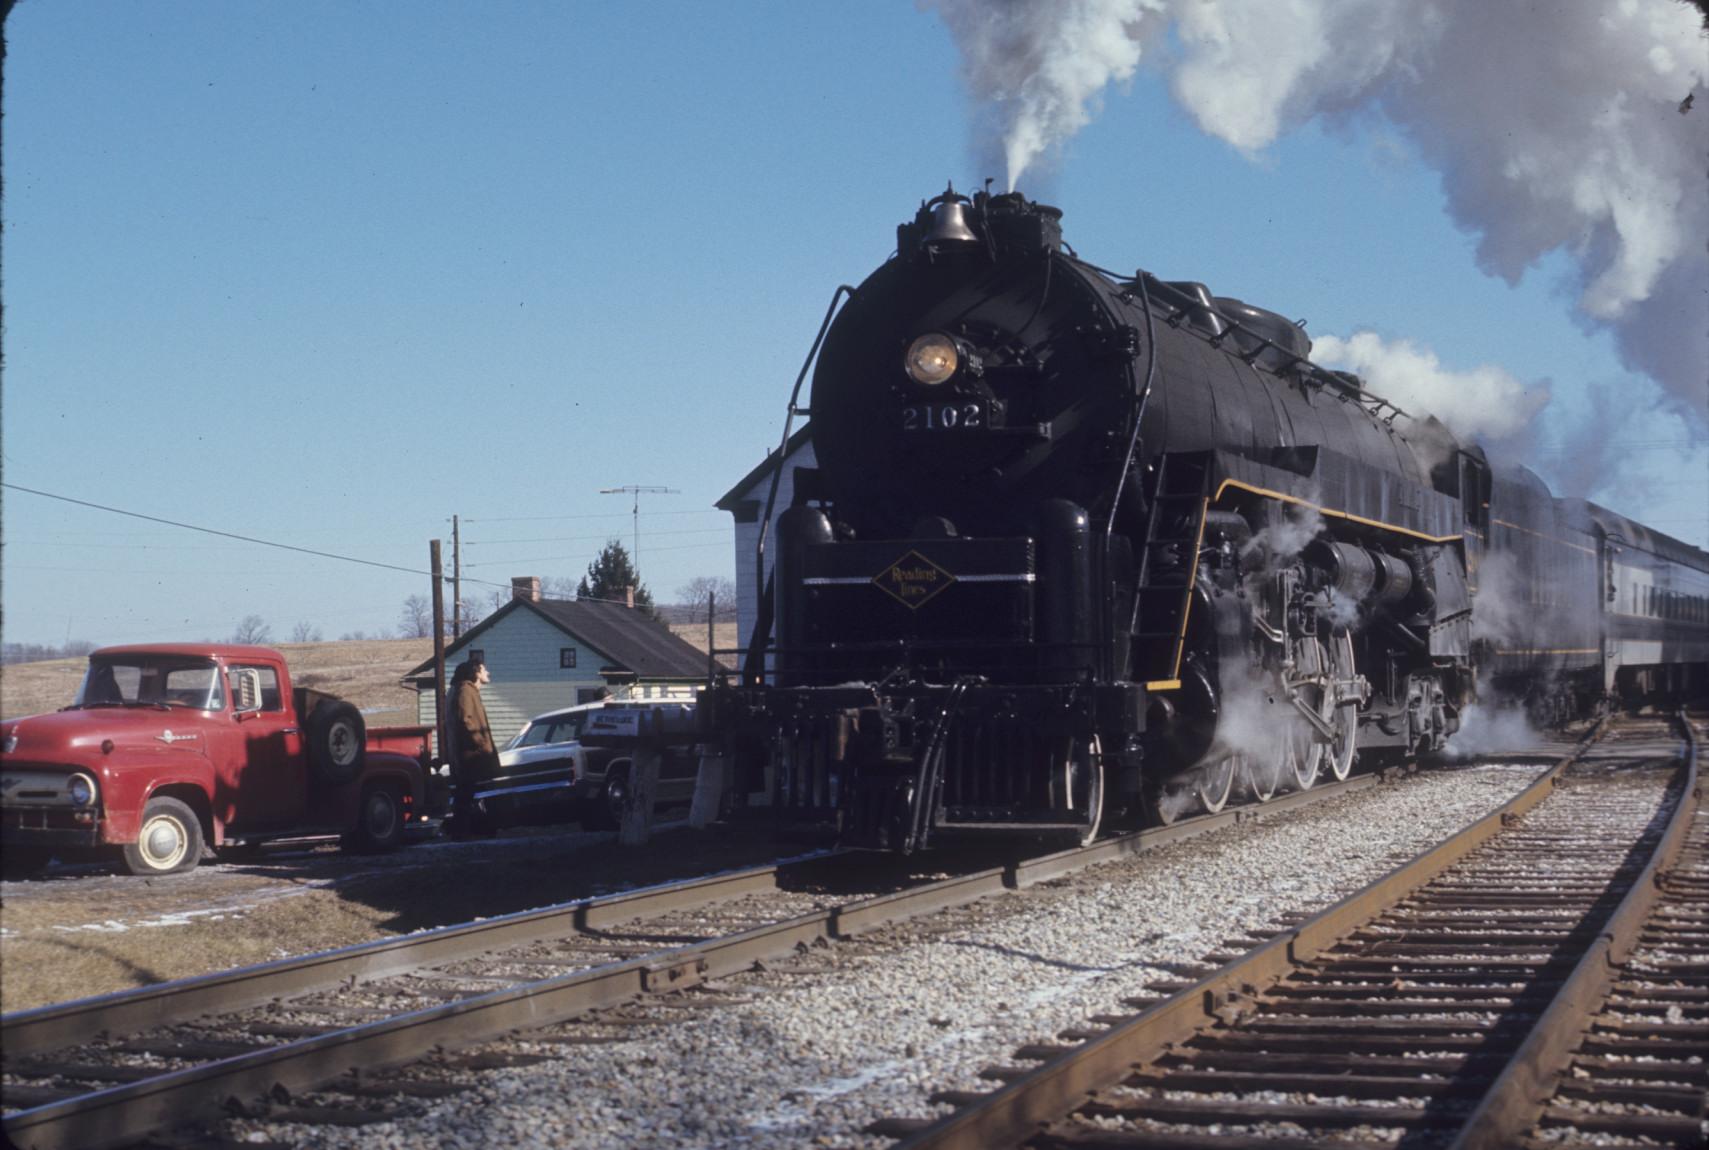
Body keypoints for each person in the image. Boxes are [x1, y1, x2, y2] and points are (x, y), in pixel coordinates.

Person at [447, 656, 498, 838]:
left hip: (465, 755)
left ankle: (465, 830)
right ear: (476, 673)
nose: (488, 673)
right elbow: (466, 720)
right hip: (470, 756)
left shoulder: (461, 690)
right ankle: (463, 832)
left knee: (466, 794)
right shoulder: (465, 691)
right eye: (484, 669)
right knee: (467, 794)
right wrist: (481, 743)